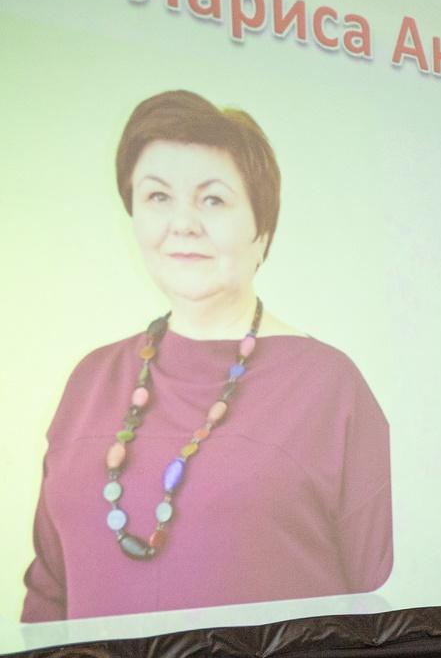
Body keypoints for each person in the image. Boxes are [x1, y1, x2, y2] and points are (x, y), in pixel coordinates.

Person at [22, 90, 392, 623]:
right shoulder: (91, 380)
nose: (183, 223)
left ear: (262, 227)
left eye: (213, 200)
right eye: (157, 196)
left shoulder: (329, 386)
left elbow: (375, 609)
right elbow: (48, 591)